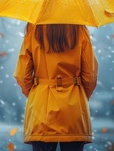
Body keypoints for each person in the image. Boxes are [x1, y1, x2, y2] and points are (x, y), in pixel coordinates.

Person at [14, 23, 99, 151]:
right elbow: (90, 75)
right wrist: (80, 96)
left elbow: (22, 75)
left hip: (41, 107)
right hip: (73, 107)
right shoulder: (80, 29)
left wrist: (35, 94)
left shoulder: (33, 29)